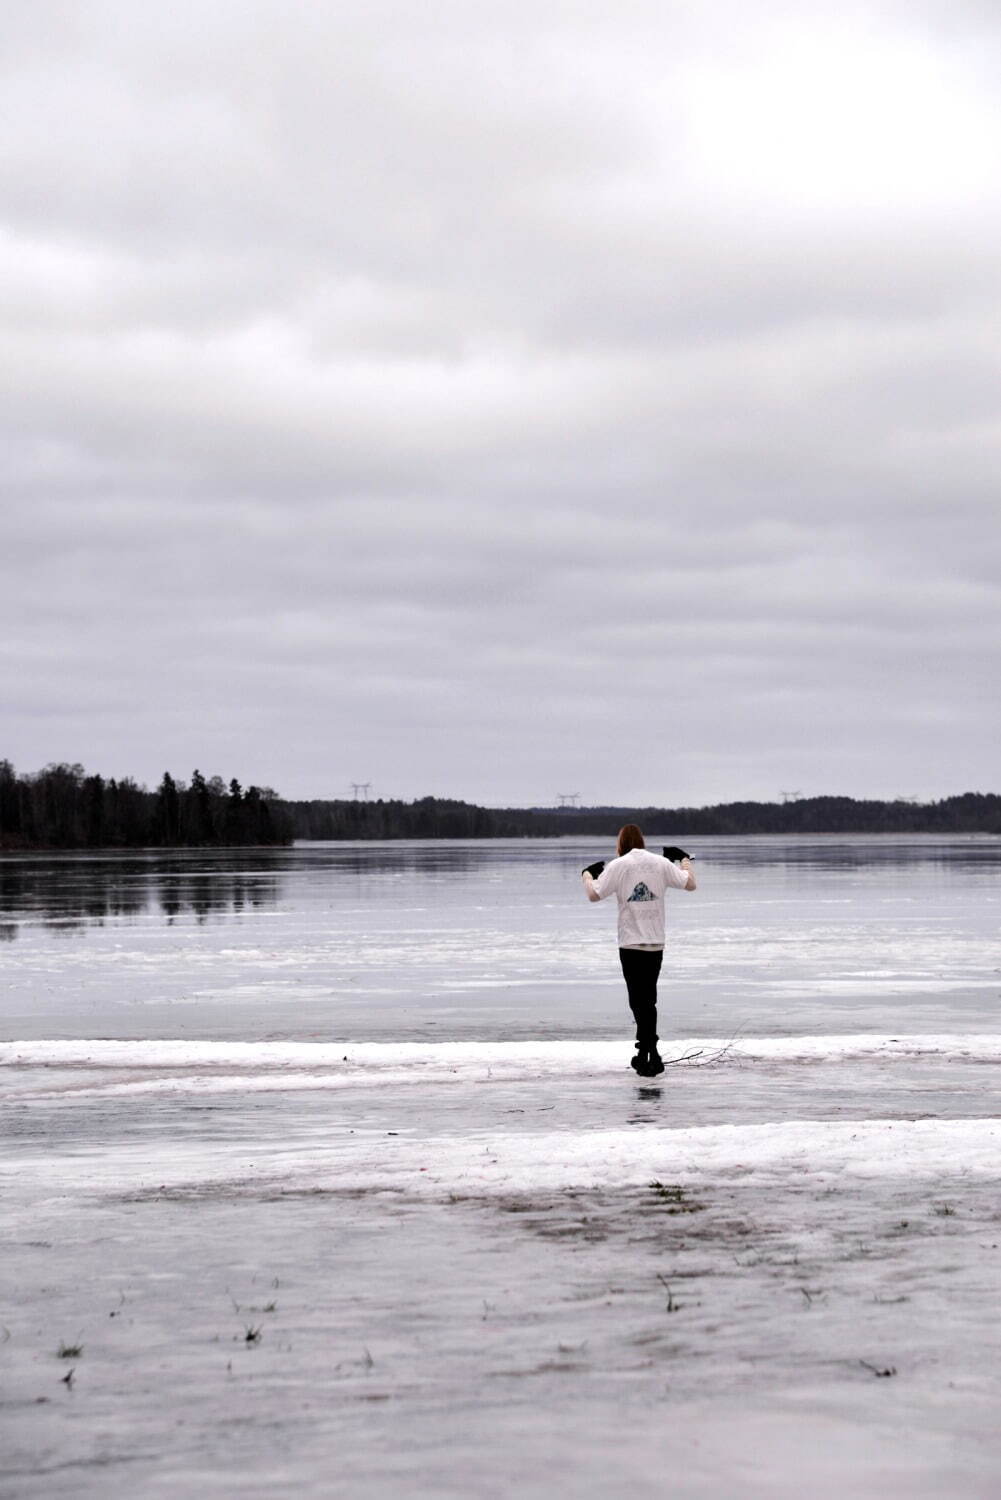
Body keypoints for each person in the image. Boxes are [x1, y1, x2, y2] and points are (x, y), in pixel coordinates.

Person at [581, 824, 696, 1077]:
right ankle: (648, 1053)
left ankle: (648, 1053)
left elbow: (593, 895)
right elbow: (690, 884)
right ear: (642, 840)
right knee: (649, 1000)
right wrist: (685, 860)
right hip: (656, 942)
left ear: (621, 843)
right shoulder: (660, 863)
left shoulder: (618, 865)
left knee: (638, 1000)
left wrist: (587, 875)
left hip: (631, 943)